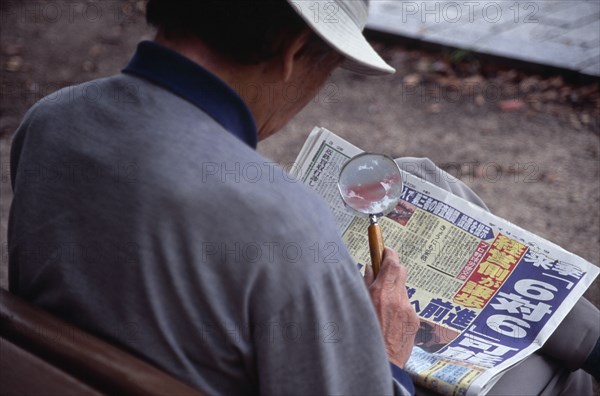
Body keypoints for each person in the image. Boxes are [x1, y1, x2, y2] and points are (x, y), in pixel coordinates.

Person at [7, 0, 598, 395]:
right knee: (554, 376)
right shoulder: (281, 225)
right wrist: (388, 349)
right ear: (294, 49)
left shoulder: (54, 122)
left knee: (413, 177)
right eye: (330, 66)